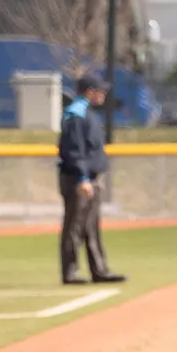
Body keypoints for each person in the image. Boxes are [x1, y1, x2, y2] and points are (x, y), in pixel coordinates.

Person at [57, 75, 126, 285]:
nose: (103, 94)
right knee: (74, 227)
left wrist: (95, 177)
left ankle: (99, 270)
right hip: (78, 179)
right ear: (89, 91)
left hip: (91, 179)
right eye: (100, 90)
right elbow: (74, 151)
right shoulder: (76, 115)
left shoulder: (88, 114)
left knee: (91, 227)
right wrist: (83, 178)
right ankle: (70, 273)